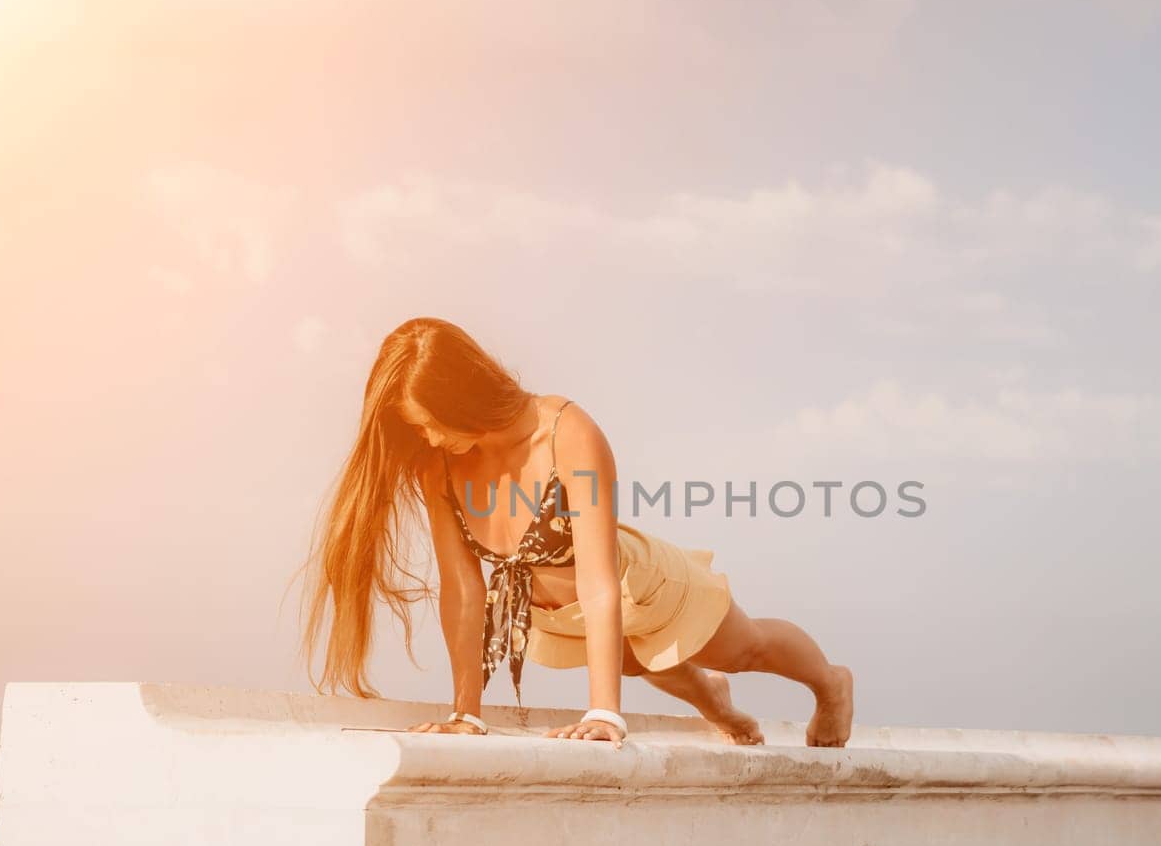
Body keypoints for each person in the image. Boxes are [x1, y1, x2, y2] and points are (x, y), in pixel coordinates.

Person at [297, 317, 855, 748]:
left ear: (460, 396)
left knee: (744, 648)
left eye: (430, 421)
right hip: (560, 611)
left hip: (635, 579)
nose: (431, 438)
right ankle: (713, 700)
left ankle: (830, 683)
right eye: (418, 429)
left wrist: (603, 714)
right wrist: (466, 713)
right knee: (638, 660)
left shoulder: (567, 432)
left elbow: (597, 580)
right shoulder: (437, 466)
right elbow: (464, 591)